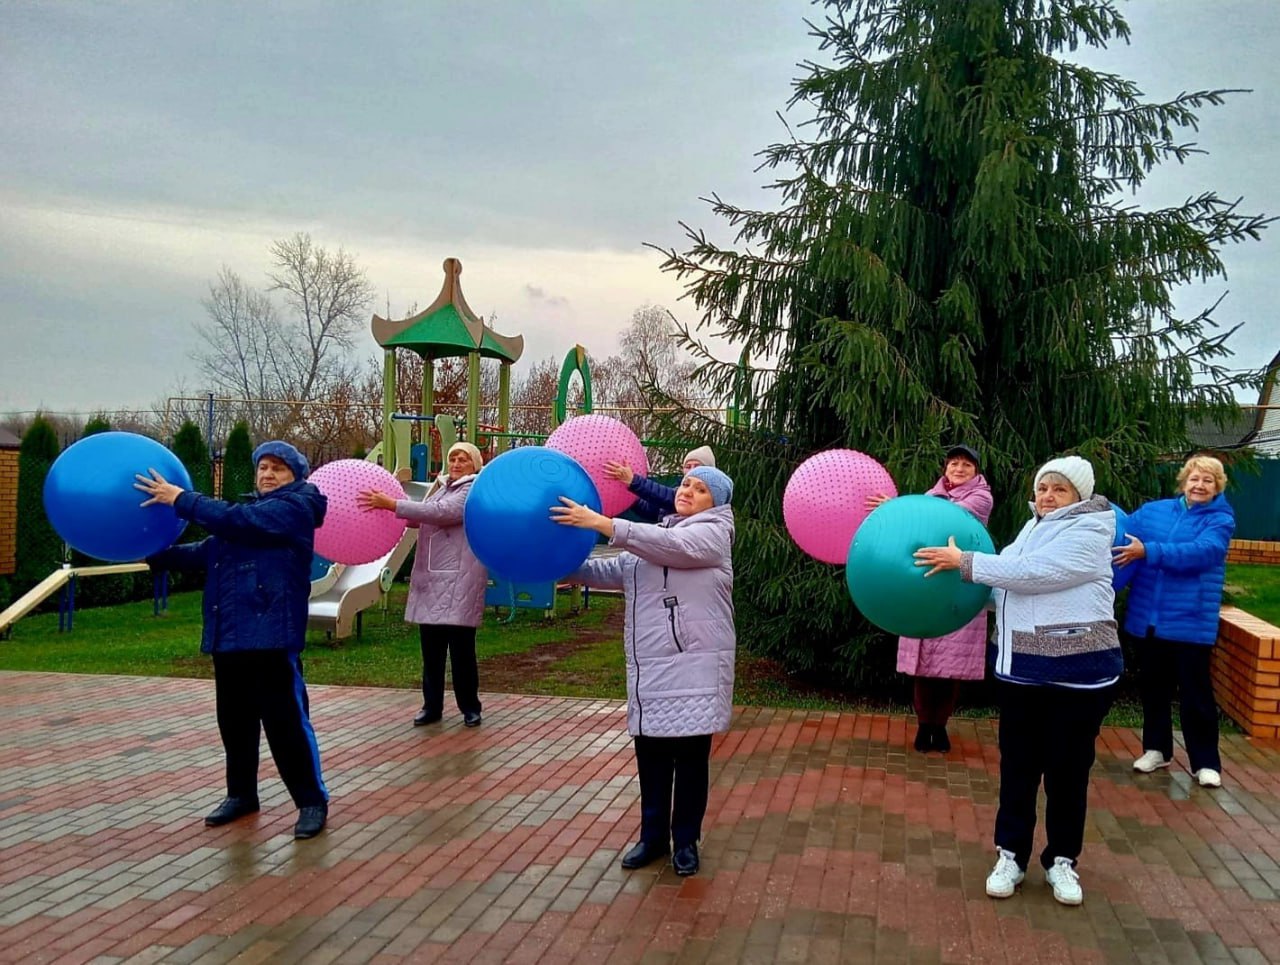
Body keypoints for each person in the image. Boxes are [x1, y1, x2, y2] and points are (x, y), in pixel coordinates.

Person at [915, 455, 1121, 906]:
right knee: (1018, 770)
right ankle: (1010, 854)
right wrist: (951, 593)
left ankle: (1062, 861)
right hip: (1023, 672)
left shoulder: (1090, 531)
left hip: (1078, 675)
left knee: (1068, 773)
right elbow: (1004, 587)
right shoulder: (1031, 530)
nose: (1047, 496)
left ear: (1079, 496)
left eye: (1059, 489)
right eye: (1043, 487)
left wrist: (966, 561)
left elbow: (1037, 575)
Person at [135, 441, 330, 839]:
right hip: (229, 637)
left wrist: (182, 499)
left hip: (272, 637)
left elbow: (236, 521)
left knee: (286, 726)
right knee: (235, 724)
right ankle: (241, 795)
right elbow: (205, 551)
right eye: (262, 467)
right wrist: (148, 553)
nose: (267, 474)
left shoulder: (295, 510)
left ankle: (311, 801)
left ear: (295, 475)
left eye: (278, 467)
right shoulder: (248, 515)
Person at [551, 464, 735, 877]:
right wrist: (556, 564)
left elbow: (669, 546)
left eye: (701, 489)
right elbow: (613, 569)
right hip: (650, 671)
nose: (688, 491)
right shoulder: (659, 537)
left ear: (716, 503)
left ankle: (685, 842)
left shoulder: (712, 536)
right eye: (687, 483)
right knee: (650, 762)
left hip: (695, 670)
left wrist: (602, 522)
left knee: (689, 763)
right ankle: (652, 839)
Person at [1114, 453, 1235, 788]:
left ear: (1217, 487)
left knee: (1196, 694)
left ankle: (1206, 762)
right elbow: (1118, 531)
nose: (1200, 485)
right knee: (1153, 689)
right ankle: (1156, 749)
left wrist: (1149, 551)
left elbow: (1203, 553)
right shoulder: (1153, 512)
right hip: (1147, 619)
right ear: (1184, 481)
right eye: (1195, 479)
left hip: (1190, 621)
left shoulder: (1220, 520)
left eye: (1208, 481)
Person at [868, 444, 993, 753]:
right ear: (945, 469)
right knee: (924, 668)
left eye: (966, 464)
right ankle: (925, 726)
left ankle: (941, 725)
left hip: (959, 589)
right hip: (925, 587)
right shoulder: (927, 497)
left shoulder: (980, 498)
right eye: (954, 464)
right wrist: (900, 510)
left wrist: (899, 507)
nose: (959, 469)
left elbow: (945, 520)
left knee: (950, 668)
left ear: (976, 471)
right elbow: (914, 526)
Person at [358, 442, 487, 728]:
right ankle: (432, 706)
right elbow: (425, 515)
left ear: (475, 465)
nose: (455, 463)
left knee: (462, 651)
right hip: (432, 580)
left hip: (459, 581)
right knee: (432, 652)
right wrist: (389, 511)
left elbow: (444, 513)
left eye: (463, 459)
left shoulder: (471, 490)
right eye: (452, 458)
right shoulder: (442, 487)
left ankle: (470, 707)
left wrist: (394, 504)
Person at [603, 445, 716, 522]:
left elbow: (667, 496)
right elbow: (651, 510)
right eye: (687, 466)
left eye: (697, 466)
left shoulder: (711, 494)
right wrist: (628, 495)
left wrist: (633, 481)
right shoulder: (678, 488)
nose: (691, 470)